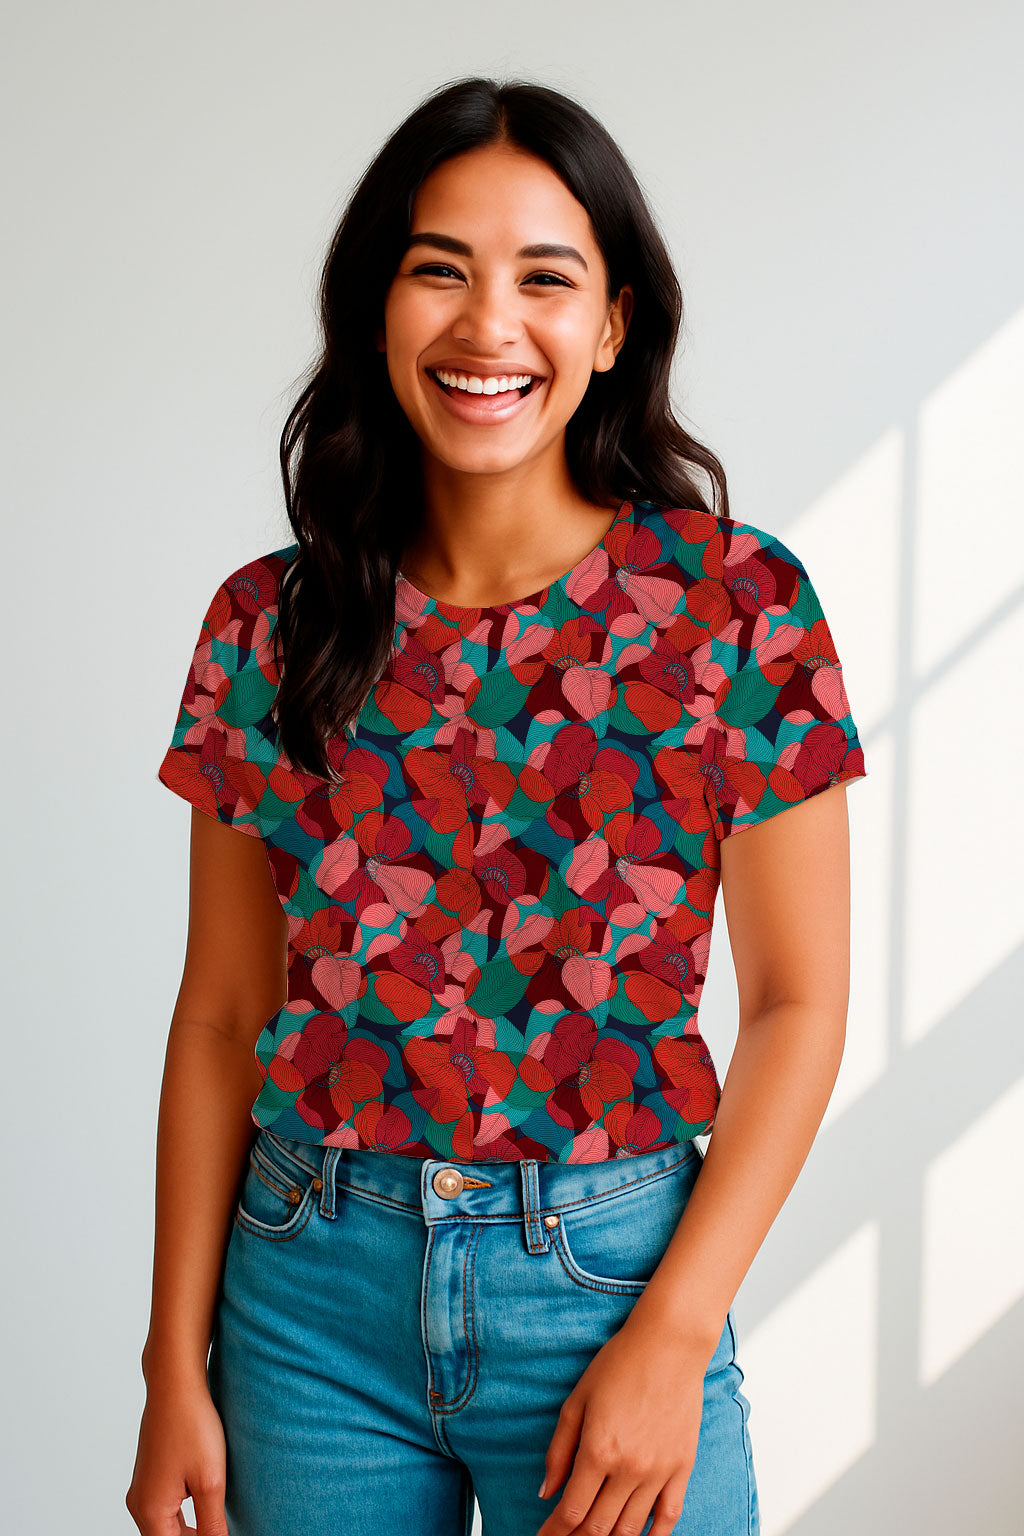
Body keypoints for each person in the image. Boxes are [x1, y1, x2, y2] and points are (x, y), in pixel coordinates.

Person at [127, 76, 868, 1536]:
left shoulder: (732, 606)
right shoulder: (269, 624)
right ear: (374, 310)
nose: (486, 327)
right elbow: (220, 1011)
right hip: (304, 1305)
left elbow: (800, 1007)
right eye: (437, 271)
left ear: (611, 325)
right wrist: (171, 1366)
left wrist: (673, 1335)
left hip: (608, 1289)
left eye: (545, 277)